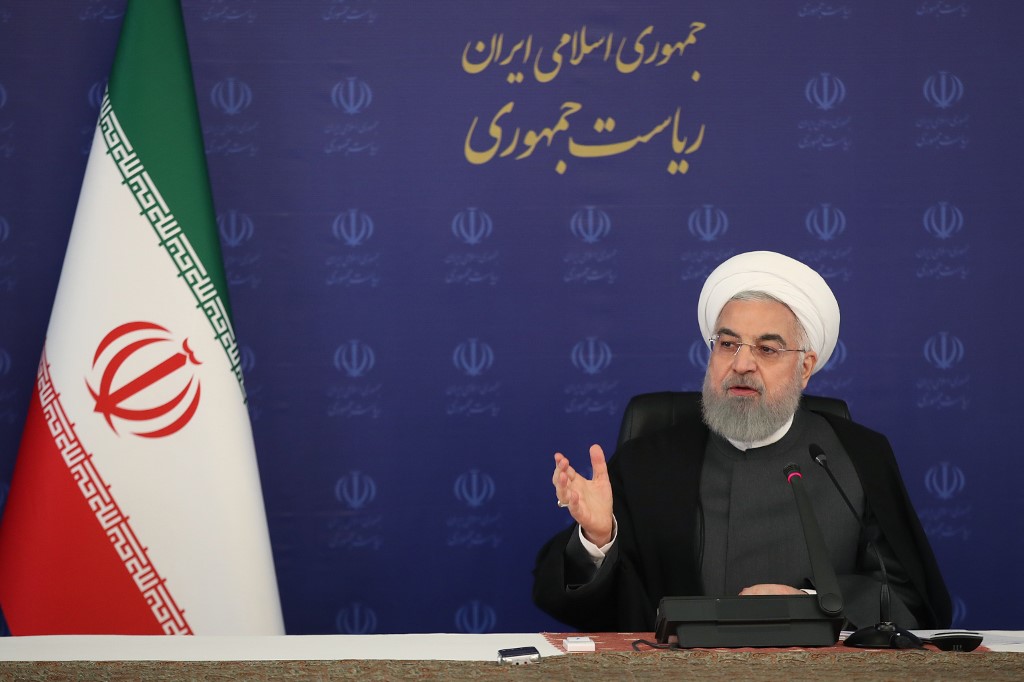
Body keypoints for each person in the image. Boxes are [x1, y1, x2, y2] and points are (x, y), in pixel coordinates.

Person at [532, 251, 951, 632]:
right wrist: (598, 539)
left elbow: (907, 597)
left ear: (805, 368)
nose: (742, 364)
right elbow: (597, 611)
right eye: (728, 344)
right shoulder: (649, 460)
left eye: (767, 349)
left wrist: (813, 604)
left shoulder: (857, 457)